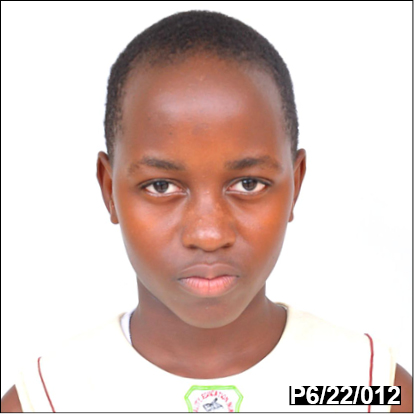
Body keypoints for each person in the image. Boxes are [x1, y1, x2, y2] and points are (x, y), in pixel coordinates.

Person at [1, 10, 412, 413]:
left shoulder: (366, 388)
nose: (209, 234)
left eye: (248, 184)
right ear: (109, 190)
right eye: (161, 186)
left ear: (296, 184)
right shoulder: (51, 400)